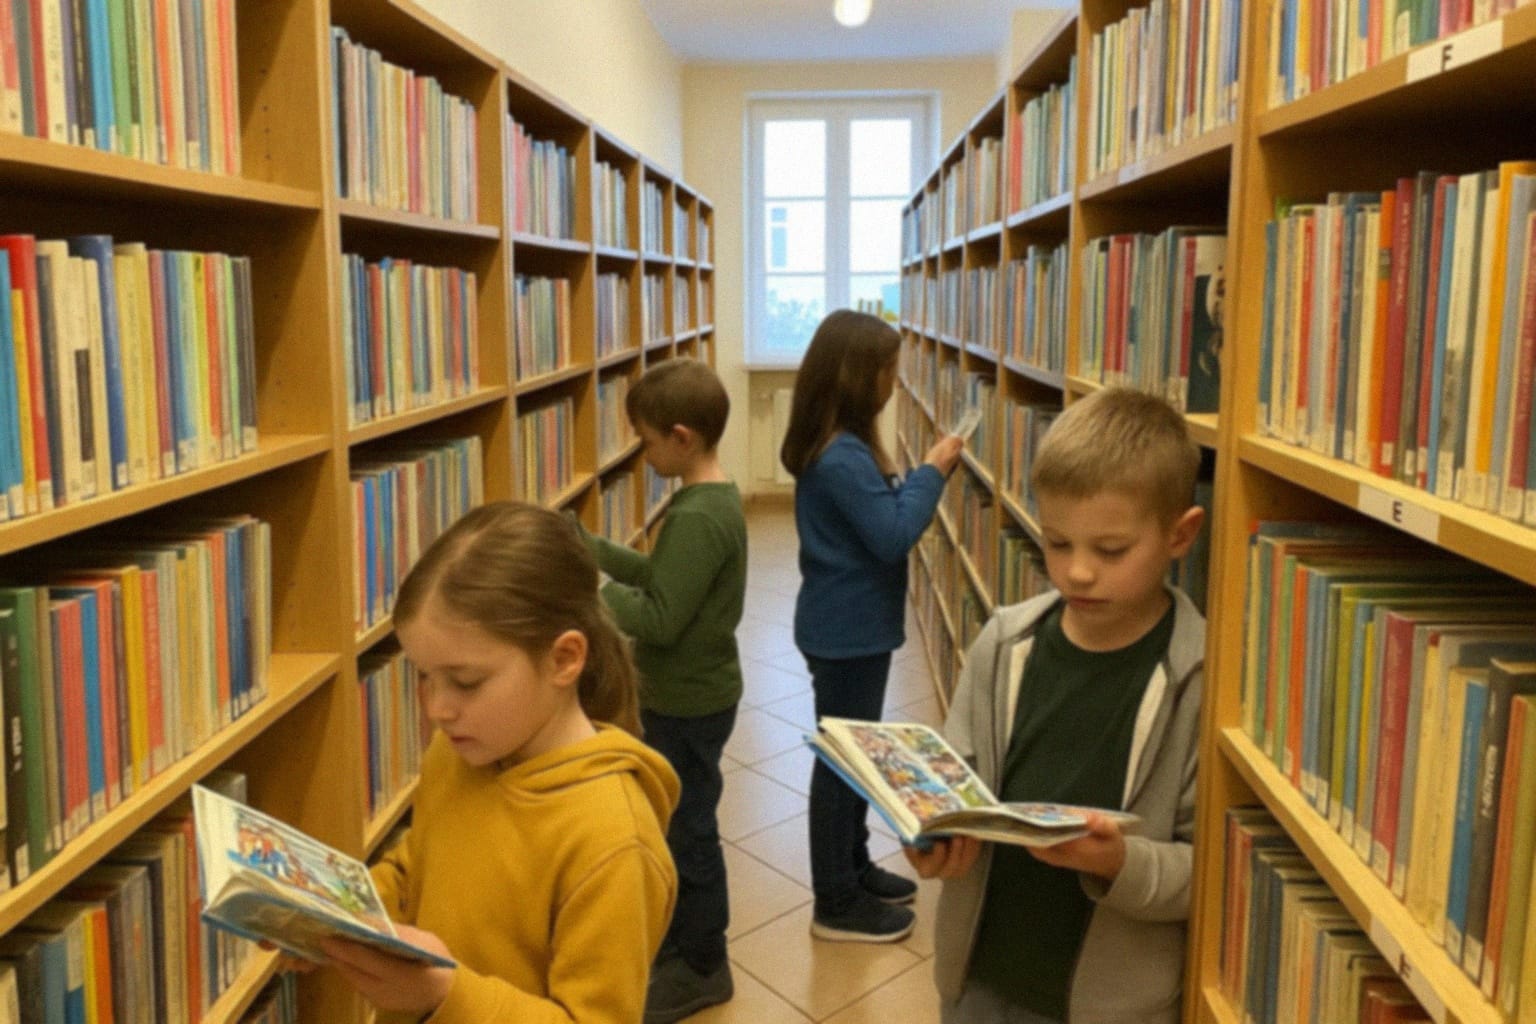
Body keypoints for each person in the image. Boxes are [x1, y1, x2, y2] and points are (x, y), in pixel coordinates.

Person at [311, 501, 681, 1023]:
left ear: (564, 659)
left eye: (465, 682)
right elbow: (422, 861)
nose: (437, 708)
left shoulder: (614, 841)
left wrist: (445, 996)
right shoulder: (459, 753)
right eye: (423, 676)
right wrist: (337, 916)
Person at [906, 386, 1206, 1024]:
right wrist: (932, 837)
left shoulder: (1198, 678)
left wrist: (1121, 862)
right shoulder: (1004, 641)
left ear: (1181, 535)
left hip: (1112, 1004)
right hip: (978, 977)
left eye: (1111, 550)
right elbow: (955, 780)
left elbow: (1205, 869)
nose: (1077, 573)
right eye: (1057, 543)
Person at [780, 309, 964, 942]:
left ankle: (852, 867)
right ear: (862, 377)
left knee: (854, 758)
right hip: (846, 634)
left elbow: (880, 516)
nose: (895, 381)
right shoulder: (841, 458)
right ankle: (835, 901)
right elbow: (891, 533)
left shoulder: (843, 447)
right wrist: (933, 472)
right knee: (842, 765)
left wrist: (917, 479)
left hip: (851, 628)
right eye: (889, 370)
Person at [575, 357, 748, 1023]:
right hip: (691, 694)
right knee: (679, 823)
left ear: (682, 437)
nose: (639, 453)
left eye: (644, 440)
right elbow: (663, 575)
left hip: (689, 700)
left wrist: (592, 592)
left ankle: (704, 963)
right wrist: (593, 550)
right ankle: (682, 948)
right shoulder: (708, 498)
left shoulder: (702, 515)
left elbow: (660, 618)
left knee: (690, 830)